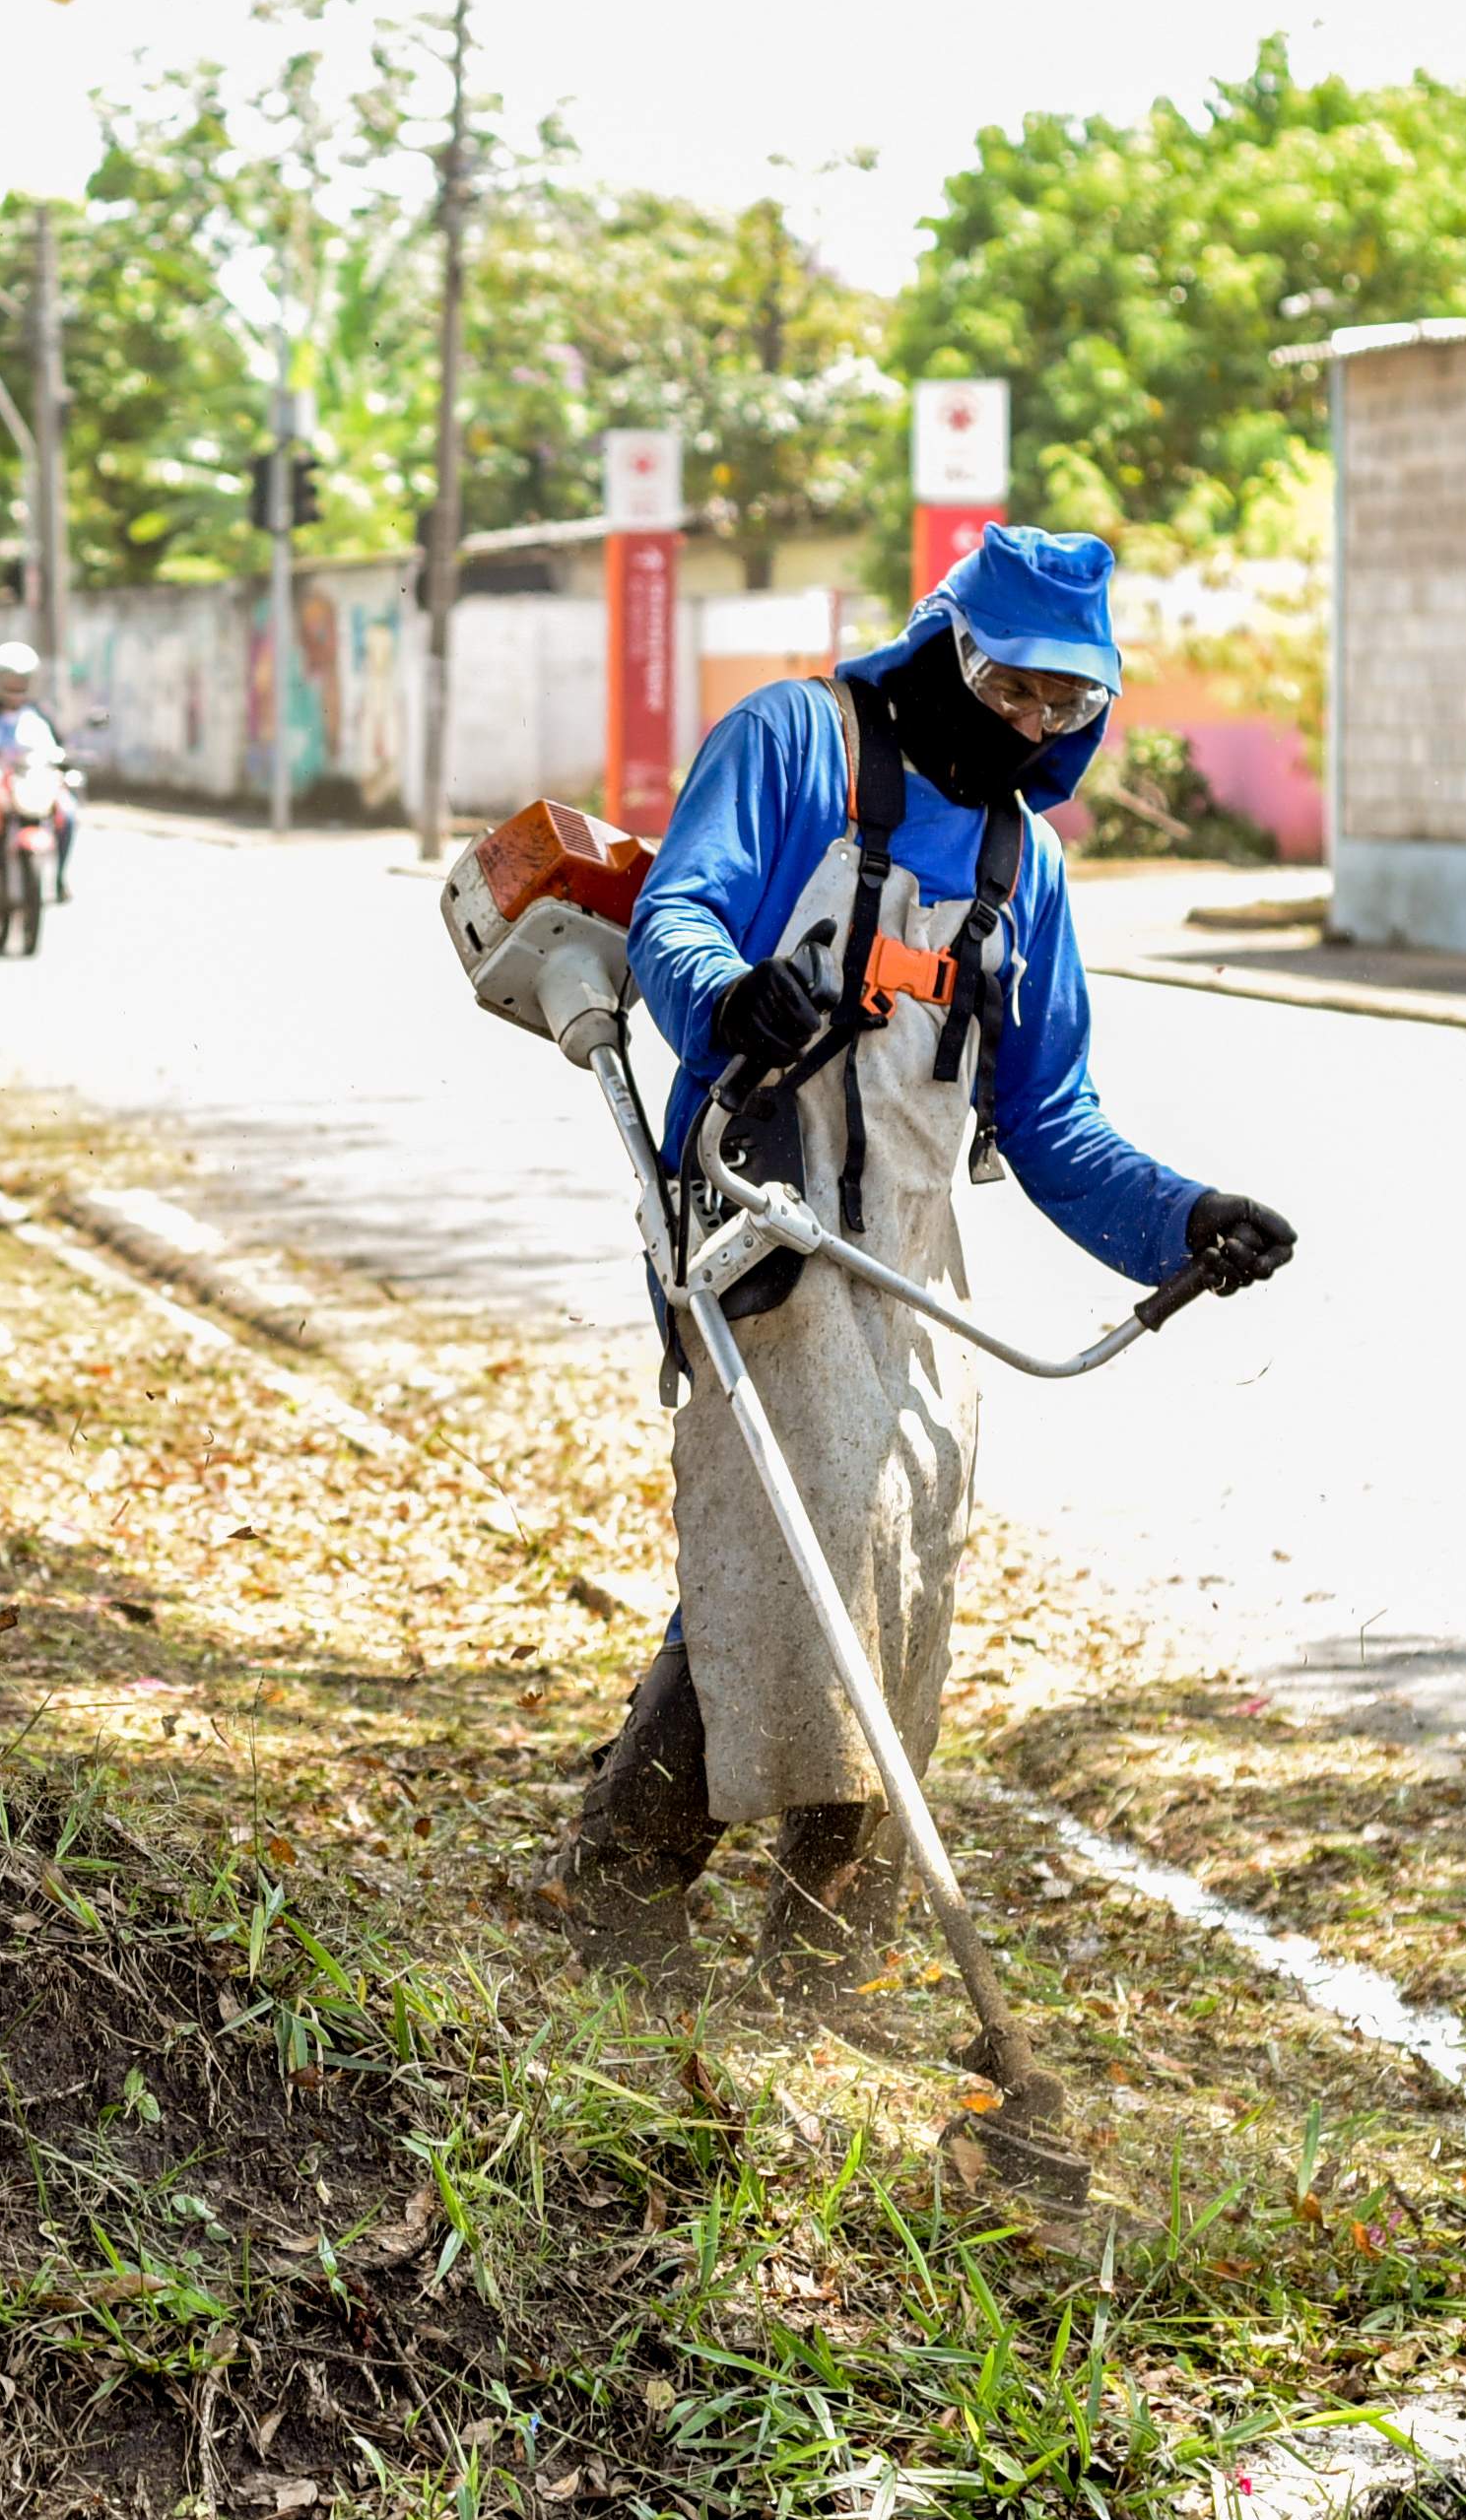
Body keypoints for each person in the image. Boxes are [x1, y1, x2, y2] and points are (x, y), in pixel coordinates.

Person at [539, 525, 1293, 2003]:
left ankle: (814, 1969)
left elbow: (1053, 1118)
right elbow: (684, 909)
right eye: (1011, 686)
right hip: (753, 1204)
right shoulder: (792, 745)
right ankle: (625, 1889)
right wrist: (724, 997)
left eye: (1065, 707)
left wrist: (1183, 1217)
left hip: (907, 1249)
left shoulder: (1027, 865)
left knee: (904, 1555)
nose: (1029, 724)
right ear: (949, 648)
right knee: (810, 1526)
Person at [0, 638, 71, 899]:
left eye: (20, 679)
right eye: (9, 679)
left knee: (68, 813)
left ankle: (59, 878)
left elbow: (60, 745)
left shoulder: (40, 713)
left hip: (32, 780)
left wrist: (67, 758)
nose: (14, 686)